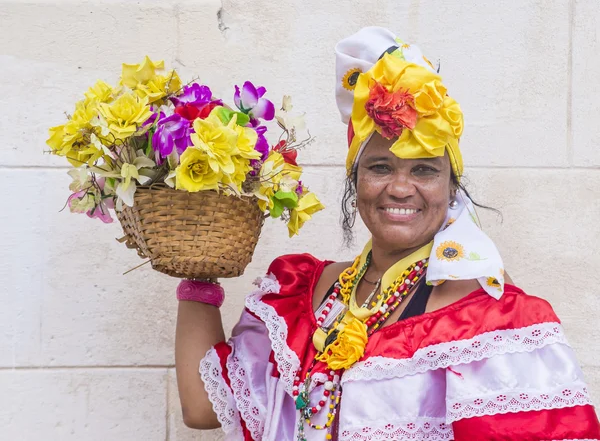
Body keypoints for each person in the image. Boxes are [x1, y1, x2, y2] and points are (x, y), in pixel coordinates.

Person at [174, 27, 600, 441]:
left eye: (424, 169)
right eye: (380, 167)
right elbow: (203, 408)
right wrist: (198, 265)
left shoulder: (491, 322)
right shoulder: (300, 294)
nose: (399, 188)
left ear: (451, 186)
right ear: (354, 179)